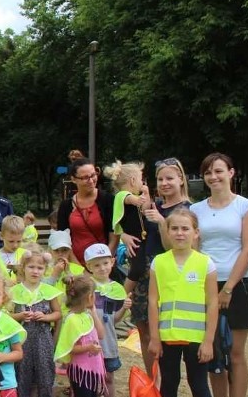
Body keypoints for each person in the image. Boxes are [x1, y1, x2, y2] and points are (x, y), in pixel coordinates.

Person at [190, 152, 248, 397]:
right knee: (212, 352)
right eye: (207, 173)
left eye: (218, 171)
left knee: (236, 354)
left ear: (231, 172)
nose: (213, 177)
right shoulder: (197, 209)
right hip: (205, 286)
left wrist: (228, 288)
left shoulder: (247, 207)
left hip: (236, 286)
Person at [148, 209, 218, 397]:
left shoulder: (205, 263)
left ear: (195, 233)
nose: (179, 233)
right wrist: (155, 337)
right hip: (167, 336)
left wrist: (209, 340)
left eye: (185, 228)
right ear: (167, 232)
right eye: (174, 228)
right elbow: (153, 301)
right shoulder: (159, 262)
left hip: (196, 337)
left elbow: (212, 303)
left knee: (198, 384)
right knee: (169, 383)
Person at [129, 157, 191, 375]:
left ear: (181, 179)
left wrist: (162, 222)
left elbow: (180, 246)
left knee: (163, 333)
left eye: (170, 178)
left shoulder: (187, 209)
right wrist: (127, 236)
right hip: (146, 273)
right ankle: (152, 380)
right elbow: (138, 232)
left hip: (170, 276)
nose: (164, 183)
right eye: (160, 179)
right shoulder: (154, 206)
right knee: (144, 330)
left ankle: (166, 385)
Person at [55, 275, 114, 397]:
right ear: (89, 297)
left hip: (93, 370)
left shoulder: (88, 316)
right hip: (81, 371)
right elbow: (69, 347)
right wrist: (88, 347)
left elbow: (102, 334)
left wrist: (94, 312)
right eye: (93, 294)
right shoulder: (71, 319)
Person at [8, 248, 61, 397]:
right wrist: (20, 315)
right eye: (31, 266)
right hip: (21, 341)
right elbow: (7, 316)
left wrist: (45, 317)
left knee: (45, 377)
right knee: (22, 377)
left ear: (45, 269)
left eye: (40, 267)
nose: (35, 271)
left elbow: (58, 313)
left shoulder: (49, 291)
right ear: (23, 267)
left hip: (43, 339)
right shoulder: (14, 292)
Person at [84, 243, 130, 397]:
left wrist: (124, 310)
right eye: (96, 265)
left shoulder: (116, 289)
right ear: (88, 267)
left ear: (112, 262)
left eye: (105, 263)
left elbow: (113, 320)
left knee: (109, 377)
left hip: (109, 342)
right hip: (90, 342)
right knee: (90, 379)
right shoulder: (87, 287)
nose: (102, 268)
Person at [57, 157, 116, 265]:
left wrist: (105, 264)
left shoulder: (108, 200)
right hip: (76, 265)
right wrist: (80, 271)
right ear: (74, 179)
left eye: (93, 175)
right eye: (85, 177)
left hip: (103, 266)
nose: (91, 180)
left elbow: (114, 236)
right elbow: (63, 242)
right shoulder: (65, 206)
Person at [103, 160, 150, 294]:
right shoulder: (122, 195)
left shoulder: (130, 195)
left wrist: (145, 195)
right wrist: (143, 196)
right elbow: (135, 201)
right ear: (133, 180)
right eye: (141, 179)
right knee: (137, 268)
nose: (142, 183)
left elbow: (144, 209)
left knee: (140, 267)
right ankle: (122, 294)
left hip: (138, 237)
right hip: (134, 238)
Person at [0, 215, 27, 279]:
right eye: (11, 241)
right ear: (1, 236)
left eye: (19, 241)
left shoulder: (26, 255)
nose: (15, 245)